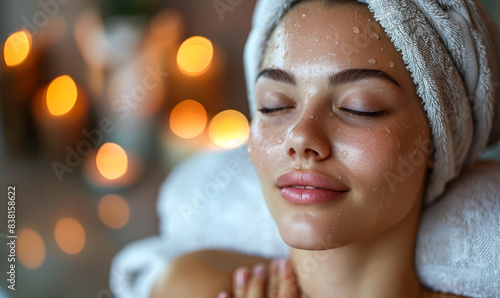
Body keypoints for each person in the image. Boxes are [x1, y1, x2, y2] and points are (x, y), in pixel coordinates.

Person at [111, 0, 500, 297]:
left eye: (358, 108)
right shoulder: (199, 285)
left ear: (436, 137)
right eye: (274, 106)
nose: (301, 137)